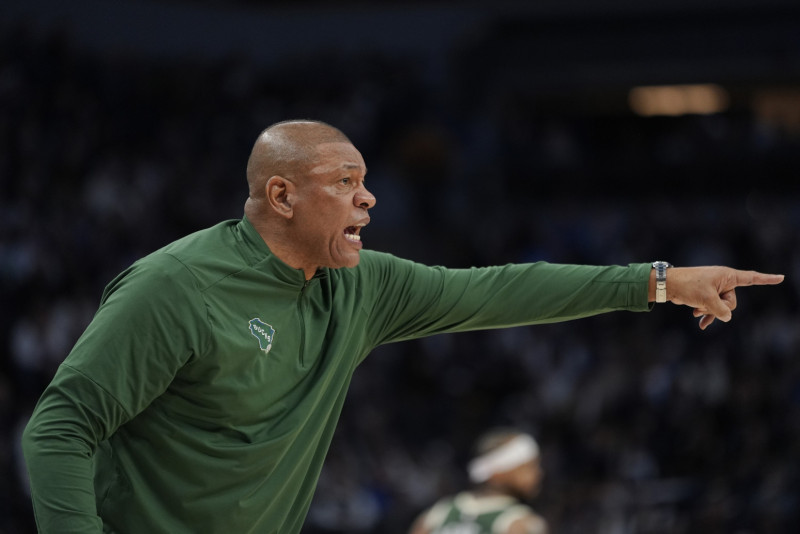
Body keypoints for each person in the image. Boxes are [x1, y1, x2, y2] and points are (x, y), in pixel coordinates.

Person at [22, 119, 784, 534]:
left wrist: (657, 282)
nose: (369, 199)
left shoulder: (365, 286)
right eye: (345, 183)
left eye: (366, 181)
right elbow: (60, 427)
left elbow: (500, 290)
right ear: (281, 196)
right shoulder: (175, 286)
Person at [409, 429, 548, 534]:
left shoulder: (436, 514)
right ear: (499, 472)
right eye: (529, 467)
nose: (538, 473)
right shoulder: (521, 523)